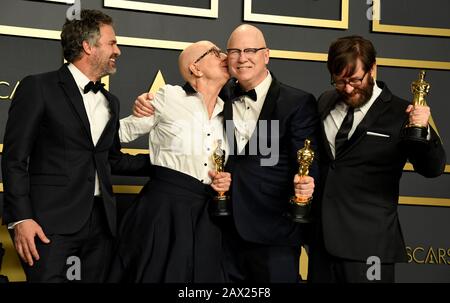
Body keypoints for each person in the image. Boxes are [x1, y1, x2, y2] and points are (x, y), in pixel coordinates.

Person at [132, 25, 319, 283]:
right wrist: (147, 103)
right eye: (234, 51)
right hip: (221, 229)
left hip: (272, 233)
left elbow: (308, 164)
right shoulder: (221, 95)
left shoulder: (295, 102)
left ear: (266, 55)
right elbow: (186, 107)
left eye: (251, 50)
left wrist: (308, 186)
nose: (242, 58)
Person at [1, 9, 150, 282]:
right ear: (88, 46)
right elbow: (14, 159)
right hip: (48, 225)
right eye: (112, 43)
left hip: (101, 225)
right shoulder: (39, 88)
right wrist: (21, 219)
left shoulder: (111, 102)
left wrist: (168, 164)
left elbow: (112, 160)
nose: (118, 50)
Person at [308, 35, 446, 283]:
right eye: (339, 81)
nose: (348, 89)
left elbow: (433, 168)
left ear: (373, 68)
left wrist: (423, 130)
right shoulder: (325, 101)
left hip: (370, 246)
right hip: (322, 243)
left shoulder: (401, 112)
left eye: (355, 80)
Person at [107, 41, 232, 282]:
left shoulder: (230, 110)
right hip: (163, 212)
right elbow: (117, 134)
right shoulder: (169, 96)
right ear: (195, 68)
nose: (225, 55)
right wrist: (157, 163)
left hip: (208, 214)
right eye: (216, 53)